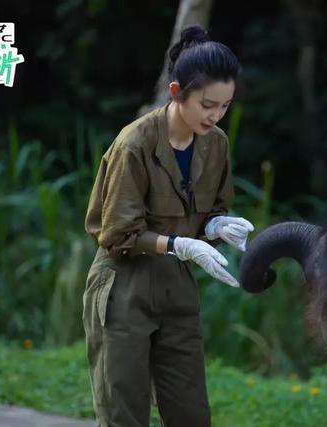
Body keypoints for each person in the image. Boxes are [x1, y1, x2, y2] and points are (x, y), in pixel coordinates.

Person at [82, 25, 253, 427]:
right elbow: (117, 234)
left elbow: (213, 207)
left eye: (225, 106)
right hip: (123, 285)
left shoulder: (216, 144)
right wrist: (183, 245)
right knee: (123, 413)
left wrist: (216, 226)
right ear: (176, 93)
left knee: (191, 412)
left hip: (176, 288)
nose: (215, 115)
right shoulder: (134, 145)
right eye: (207, 104)